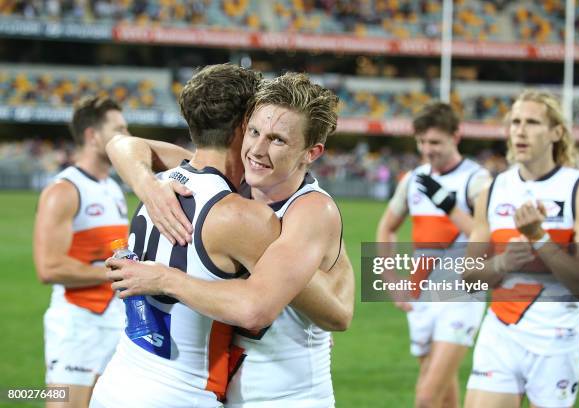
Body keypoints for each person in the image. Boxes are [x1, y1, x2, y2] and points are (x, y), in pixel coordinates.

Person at [91, 67, 353, 408]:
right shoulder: (235, 184)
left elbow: (334, 314)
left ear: (311, 152)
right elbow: (124, 144)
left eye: (277, 139)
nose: (257, 149)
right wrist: (148, 186)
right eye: (255, 132)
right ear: (244, 127)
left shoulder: (310, 211)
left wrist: (164, 278)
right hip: (222, 391)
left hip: (286, 395)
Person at [463, 91, 579, 408]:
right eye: (515, 122)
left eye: (532, 122)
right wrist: (502, 264)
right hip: (500, 334)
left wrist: (540, 239)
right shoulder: (493, 190)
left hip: (556, 340)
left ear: (556, 133)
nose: (520, 130)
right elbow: (468, 280)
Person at [376, 102, 490, 408]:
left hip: (462, 294)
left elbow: (487, 237)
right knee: (440, 386)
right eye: (422, 142)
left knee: (426, 396)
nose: (428, 150)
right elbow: (386, 228)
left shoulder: (476, 180)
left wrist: (448, 205)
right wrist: (392, 281)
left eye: (435, 142)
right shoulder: (414, 179)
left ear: (457, 136)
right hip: (422, 291)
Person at [33, 96, 130, 408]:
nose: (127, 138)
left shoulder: (113, 188)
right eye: (119, 129)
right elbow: (49, 268)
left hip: (116, 321)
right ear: (93, 136)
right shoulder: (63, 190)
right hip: (78, 326)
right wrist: (116, 273)